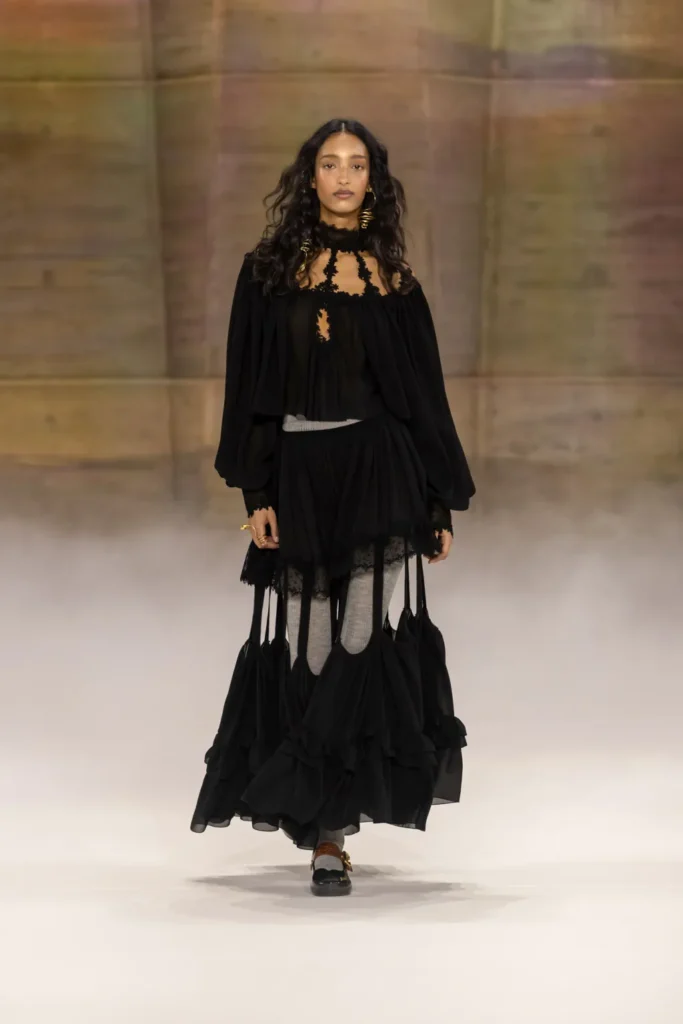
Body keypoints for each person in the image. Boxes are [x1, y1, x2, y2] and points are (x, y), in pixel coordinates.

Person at [190, 117, 476, 896]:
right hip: (301, 476)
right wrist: (256, 491)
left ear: (373, 181)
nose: (343, 176)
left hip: (380, 473)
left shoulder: (394, 281)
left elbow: (422, 398)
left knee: (358, 640)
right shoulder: (266, 273)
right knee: (310, 647)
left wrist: (436, 502)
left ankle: (328, 833)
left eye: (357, 164)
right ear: (309, 176)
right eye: (329, 163)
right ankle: (318, 808)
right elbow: (248, 388)